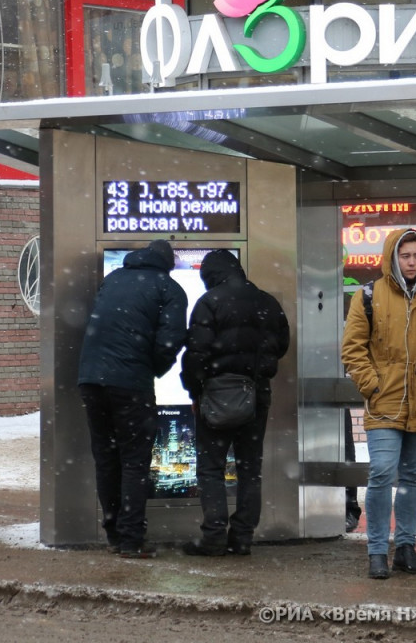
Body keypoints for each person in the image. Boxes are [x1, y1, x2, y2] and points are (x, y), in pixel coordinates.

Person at [341, 228, 416, 579]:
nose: (411, 262)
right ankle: (377, 550)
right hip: (385, 401)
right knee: (381, 474)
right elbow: (352, 349)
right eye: (405, 255)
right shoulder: (368, 295)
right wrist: (373, 386)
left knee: (411, 478)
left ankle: (406, 548)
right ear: (393, 257)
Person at [78, 239, 187, 559]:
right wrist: (151, 368)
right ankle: (131, 540)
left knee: (107, 459)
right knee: (135, 462)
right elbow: (172, 339)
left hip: (90, 379)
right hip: (129, 384)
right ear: (167, 264)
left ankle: (113, 533)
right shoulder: (169, 288)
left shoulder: (112, 279)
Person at [179, 249, 290, 557]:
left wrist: (195, 391)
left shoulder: (209, 302)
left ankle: (213, 536)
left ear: (211, 276)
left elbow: (195, 354)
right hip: (256, 394)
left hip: (215, 394)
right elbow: (281, 345)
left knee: (211, 467)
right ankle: (242, 537)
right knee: (249, 468)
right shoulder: (267, 301)